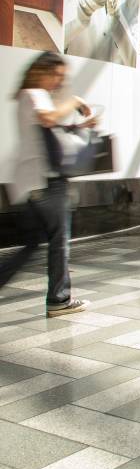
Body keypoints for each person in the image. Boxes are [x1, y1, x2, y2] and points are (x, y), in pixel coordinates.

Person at [0, 52, 93, 316]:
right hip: (45, 184)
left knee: (30, 246)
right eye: (56, 76)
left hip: (32, 184)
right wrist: (74, 101)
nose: (57, 82)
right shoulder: (33, 94)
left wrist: (82, 124)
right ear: (42, 70)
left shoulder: (26, 97)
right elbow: (49, 119)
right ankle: (59, 299)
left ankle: (58, 297)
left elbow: (49, 132)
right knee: (59, 242)